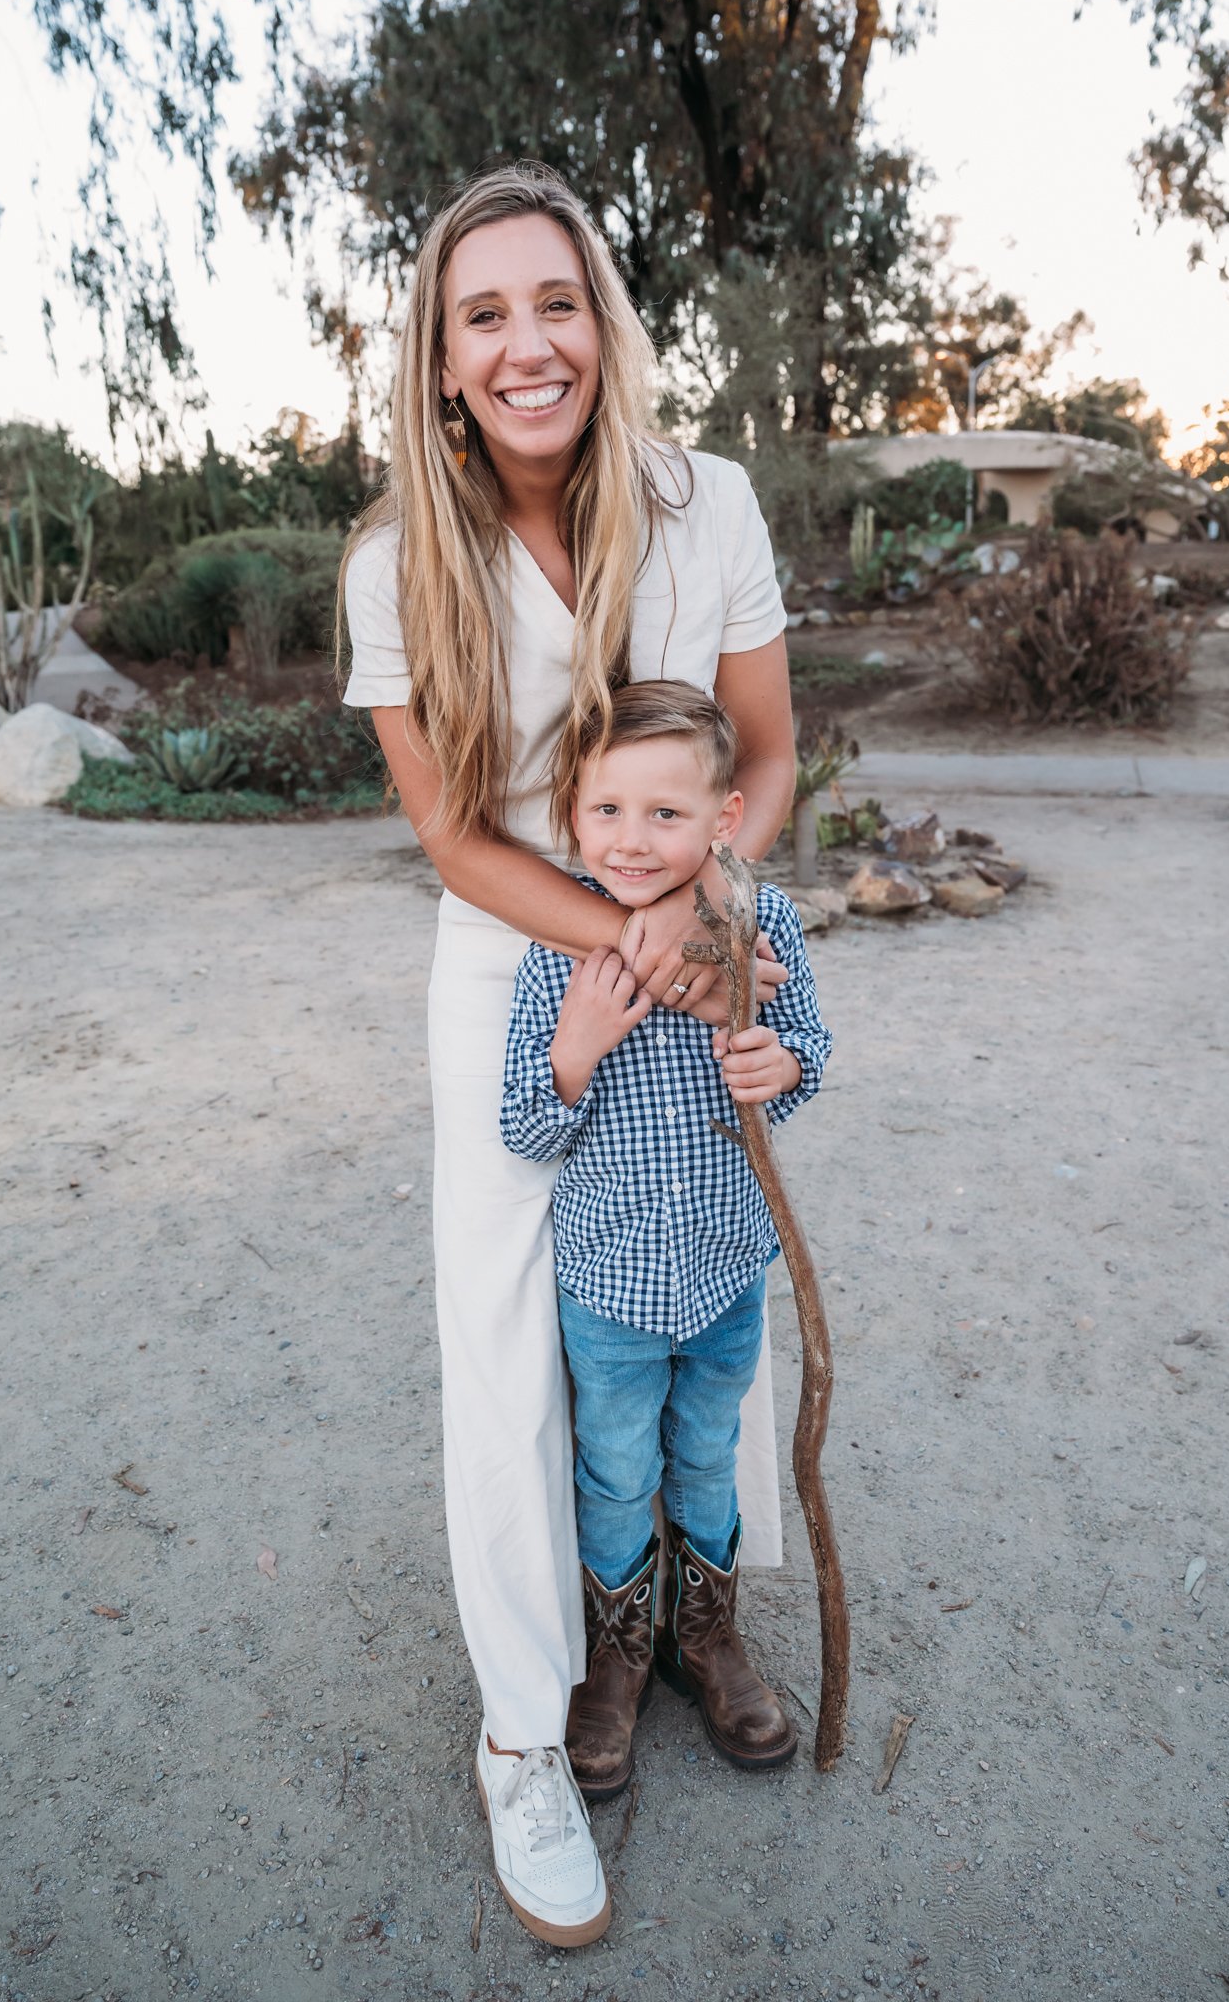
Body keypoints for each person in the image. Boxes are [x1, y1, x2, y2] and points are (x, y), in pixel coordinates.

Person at [340, 161, 798, 1949]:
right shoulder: (394, 561)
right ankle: (524, 1735)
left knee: (702, 1269)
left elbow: (768, 751)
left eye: (556, 303)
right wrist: (621, 940)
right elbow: (449, 834)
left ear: (601, 323)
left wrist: (708, 912)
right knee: (505, 1343)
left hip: (702, 939)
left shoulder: (709, 503)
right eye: (484, 316)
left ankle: (689, 1619)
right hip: (513, 962)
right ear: (441, 360)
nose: (526, 345)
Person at [499, 681, 832, 1816]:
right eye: (606, 810)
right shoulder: (560, 946)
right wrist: (577, 1047)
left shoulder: (762, 921)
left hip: (727, 1262)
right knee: (614, 1466)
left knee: (707, 1453)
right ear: (571, 814)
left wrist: (784, 1065)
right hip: (611, 1281)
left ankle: (707, 1636)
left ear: (724, 818)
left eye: (665, 814)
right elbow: (524, 1127)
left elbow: (809, 1046)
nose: (631, 840)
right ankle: (618, 1651)